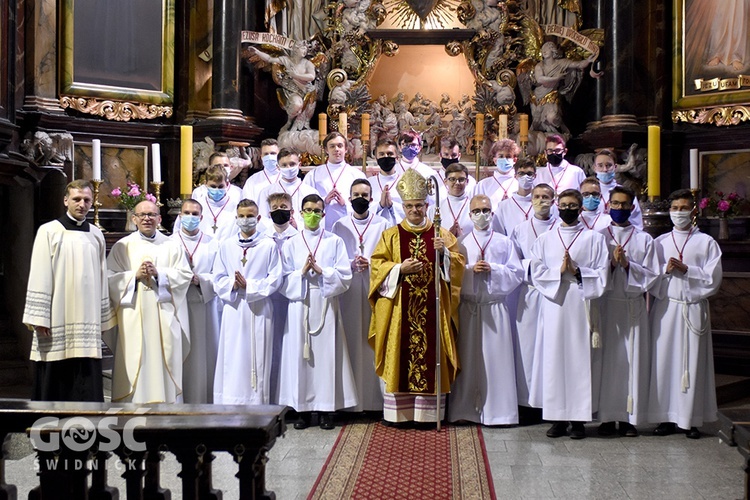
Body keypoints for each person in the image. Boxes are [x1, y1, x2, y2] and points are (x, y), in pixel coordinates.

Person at [369, 169, 465, 426]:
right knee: (401, 354)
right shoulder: (390, 235)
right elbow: (377, 266)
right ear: (403, 206)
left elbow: (458, 267)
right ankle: (398, 415)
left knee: (429, 354)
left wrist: (444, 254)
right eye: (409, 205)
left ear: (427, 205)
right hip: (400, 311)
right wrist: (399, 269)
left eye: (419, 205)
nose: (414, 210)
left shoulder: (442, 235)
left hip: (433, 310)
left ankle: (426, 415)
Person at [23, 180, 116, 402]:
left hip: (88, 317)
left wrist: (102, 319)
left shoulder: (96, 234)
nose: (82, 204)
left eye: (86, 200)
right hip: (57, 317)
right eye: (76, 199)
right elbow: (40, 273)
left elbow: (103, 276)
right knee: (56, 367)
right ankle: (50, 425)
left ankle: (89, 426)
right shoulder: (49, 231)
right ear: (66, 200)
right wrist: (40, 317)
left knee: (86, 369)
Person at [530, 188, 609, 439]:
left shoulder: (595, 239)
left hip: (580, 303)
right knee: (554, 359)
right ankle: (557, 418)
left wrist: (577, 271)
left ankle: (578, 420)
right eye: (563, 205)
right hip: (555, 305)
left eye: (573, 205)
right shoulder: (544, 239)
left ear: (580, 207)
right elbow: (537, 271)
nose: (568, 209)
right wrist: (558, 271)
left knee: (579, 360)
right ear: (557, 206)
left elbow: (602, 272)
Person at [278, 194, 358, 429]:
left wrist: (322, 271)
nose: (312, 214)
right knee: (299, 357)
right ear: (300, 213)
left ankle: (326, 410)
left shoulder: (334, 241)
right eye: (308, 210)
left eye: (317, 210)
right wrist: (301, 272)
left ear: (323, 214)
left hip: (325, 302)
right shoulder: (291, 243)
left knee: (327, 356)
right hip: (299, 302)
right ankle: (302, 409)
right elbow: (282, 278)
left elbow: (345, 275)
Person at [648, 189, 722, 439]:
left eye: (684, 208)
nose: (679, 213)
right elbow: (649, 278)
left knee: (692, 363)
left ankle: (690, 420)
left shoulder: (706, 242)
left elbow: (714, 278)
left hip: (692, 307)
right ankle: (665, 418)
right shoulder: (659, 242)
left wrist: (688, 269)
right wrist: (665, 270)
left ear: (694, 211)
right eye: (675, 208)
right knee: (663, 362)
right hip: (666, 308)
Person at [108, 200, 193, 403]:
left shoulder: (172, 246)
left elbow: (184, 276)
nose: (147, 218)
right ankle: (132, 405)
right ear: (134, 219)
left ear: (159, 219)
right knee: (133, 356)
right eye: (142, 215)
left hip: (163, 314)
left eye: (152, 215)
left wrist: (160, 274)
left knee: (163, 358)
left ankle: (165, 403)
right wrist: (134, 276)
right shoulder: (122, 246)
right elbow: (109, 278)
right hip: (133, 313)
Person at [448, 194, 523, 425]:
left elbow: (516, 273)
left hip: (494, 308)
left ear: (492, 213)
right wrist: (470, 270)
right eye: (477, 211)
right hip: (469, 308)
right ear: (469, 215)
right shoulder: (460, 242)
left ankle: (499, 413)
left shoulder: (504, 242)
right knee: (468, 360)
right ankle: (464, 410)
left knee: (495, 360)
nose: (482, 215)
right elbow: (450, 273)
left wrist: (494, 270)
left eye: (486, 210)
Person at [595, 186, 660, 437]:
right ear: (608, 205)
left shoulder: (644, 239)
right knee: (609, 362)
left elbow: (653, 276)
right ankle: (607, 418)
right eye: (615, 203)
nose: (619, 208)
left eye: (624, 205)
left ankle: (631, 418)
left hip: (633, 306)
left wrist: (627, 264)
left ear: (632, 208)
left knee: (634, 360)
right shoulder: (598, 237)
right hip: (607, 305)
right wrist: (610, 265)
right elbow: (591, 271)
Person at [213, 200, 282, 405]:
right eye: (241, 216)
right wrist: (233, 285)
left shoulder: (268, 245)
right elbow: (217, 277)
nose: (246, 220)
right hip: (234, 308)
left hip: (258, 308)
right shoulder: (226, 246)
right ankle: (230, 401)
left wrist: (249, 286)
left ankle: (256, 403)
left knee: (257, 357)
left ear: (259, 218)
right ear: (236, 218)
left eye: (250, 216)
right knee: (232, 355)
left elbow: (276, 278)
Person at [332, 179, 391, 412]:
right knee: (351, 340)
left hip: (374, 290)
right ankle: (349, 402)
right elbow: (334, 259)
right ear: (349, 198)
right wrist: (350, 263)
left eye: (364, 195)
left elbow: (389, 259)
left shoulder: (383, 224)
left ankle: (376, 400)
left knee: (373, 342)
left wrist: (373, 264)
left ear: (371, 199)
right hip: (348, 292)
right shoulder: (339, 225)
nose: (360, 199)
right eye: (355, 194)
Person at [510, 183, 558, 412]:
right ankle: (527, 403)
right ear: (531, 200)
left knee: (552, 348)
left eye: (546, 196)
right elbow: (513, 260)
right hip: (529, 294)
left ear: (554, 199)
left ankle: (551, 401)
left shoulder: (561, 227)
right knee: (527, 349)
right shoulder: (520, 229)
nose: (541, 201)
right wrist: (535, 267)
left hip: (556, 295)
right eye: (537, 196)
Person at [170, 198, 221, 403]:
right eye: (186, 213)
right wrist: (182, 279)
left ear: (201, 217)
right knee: (182, 353)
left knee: (205, 355)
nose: (190, 217)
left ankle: (206, 400)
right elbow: (164, 273)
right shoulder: (169, 242)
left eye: (195, 214)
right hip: (178, 305)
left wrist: (201, 279)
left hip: (204, 305)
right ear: (180, 216)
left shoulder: (212, 243)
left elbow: (219, 274)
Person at [265, 192, 299, 404]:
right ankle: (270, 397)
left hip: (292, 299)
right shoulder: (261, 238)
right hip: (268, 299)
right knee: (269, 347)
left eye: (284, 206)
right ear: (269, 213)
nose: (280, 210)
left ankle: (289, 398)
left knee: (290, 347)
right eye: (275, 207)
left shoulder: (300, 237)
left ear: (292, 211)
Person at [302, 131, 366, 230]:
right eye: (332, 146)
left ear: (346, 149)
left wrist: (346, 204)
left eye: (340, 146)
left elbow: (365, 202)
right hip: (322, 226)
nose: (336, 149)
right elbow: (305, 200)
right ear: (326, 150)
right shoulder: (314, 175)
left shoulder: (357, 175)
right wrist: (324, 201)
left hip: (349, 225)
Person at [248, 42, 318, 132]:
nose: (305, 51)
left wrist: (296, 75)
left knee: (307, 110)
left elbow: (312, 76)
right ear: (296, 50)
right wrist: (257, 52)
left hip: (307, 91)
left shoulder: (307, 63)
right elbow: (269, 59)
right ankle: (289, 122)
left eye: (305, 49)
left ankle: (302, 125)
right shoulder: (286, 60)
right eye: (302, 48)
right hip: (293, 91)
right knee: (297, 105)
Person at [258, 148, 317, 228]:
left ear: (299, 165)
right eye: (284, 165)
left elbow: (316, 219)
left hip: (303, 236)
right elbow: (263, 219)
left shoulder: (310, 192)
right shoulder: (267, 192)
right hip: (276, 237)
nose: (288, 168)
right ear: (278, 167)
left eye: (292, 164)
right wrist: (280, 226)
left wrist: (298, 226)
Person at [593, 149, 644, 230]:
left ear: (615, 167)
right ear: (594, 168)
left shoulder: (625, 193)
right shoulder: (588, 193)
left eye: (609, 165)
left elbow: (636, 223)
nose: (605, 169)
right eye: (600, 165)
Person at [190, 163, 243, 241]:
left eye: (221, 186)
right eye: (213, 186)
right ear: (205, 184)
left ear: (227, 184)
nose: (217, 190)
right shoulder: (197, 206)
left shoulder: (235, 207)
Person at [492, 157, 537, 235]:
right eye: (521, 173)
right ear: (515, 176)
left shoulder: (542, 203)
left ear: (535, 176)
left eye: (529, 174)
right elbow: (498, 234)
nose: (525, 177)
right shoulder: (503, 206)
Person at [433, 163, 474, 238]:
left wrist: (463, 238)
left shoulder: (474, 208)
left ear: (467, 181)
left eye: (461, 179)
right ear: (445, 181)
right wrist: (447, 238)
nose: (457, 183)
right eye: (452, 179)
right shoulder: (434, 209)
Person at [370, 138, 405, 225]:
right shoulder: (368, 184)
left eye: (389, 154)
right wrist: (380, 205)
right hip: (375, 231)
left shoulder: (406, 182)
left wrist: (391, 205)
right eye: (381, 154)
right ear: (376, 158)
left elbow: (411, 211)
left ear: (397, 157)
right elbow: (363, 211)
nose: (385, 157)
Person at [475, 139, 521, 205]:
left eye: (508, 156)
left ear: (514, 160)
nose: (505, 159)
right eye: (501, 156)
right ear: (495, 160)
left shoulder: (520, 184)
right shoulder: (483, 185)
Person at [243, 138, 281, 204]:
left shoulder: (286, 177)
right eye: (266, 154)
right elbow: (247, 205)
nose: (269, 157)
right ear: (261, 157)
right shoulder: (252, 180)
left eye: (273, 153)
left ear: (279, 156)